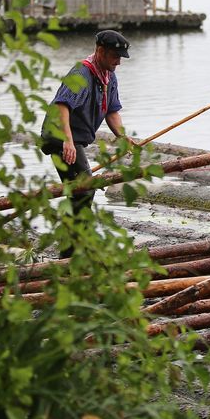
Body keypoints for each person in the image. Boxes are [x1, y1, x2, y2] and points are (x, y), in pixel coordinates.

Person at [42, 29, 137, 258]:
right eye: (115, 57)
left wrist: (122, 136)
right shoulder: (82, 73)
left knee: (80, 193)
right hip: (59, 137)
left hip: (75, 140)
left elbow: (112, 111)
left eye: (120, 58)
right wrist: (67, 141)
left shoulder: (108, 77)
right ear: (100, 51)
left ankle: (72, 250)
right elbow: (62, 106)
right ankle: (70, 253)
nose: (118, 63)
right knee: (84, 189)